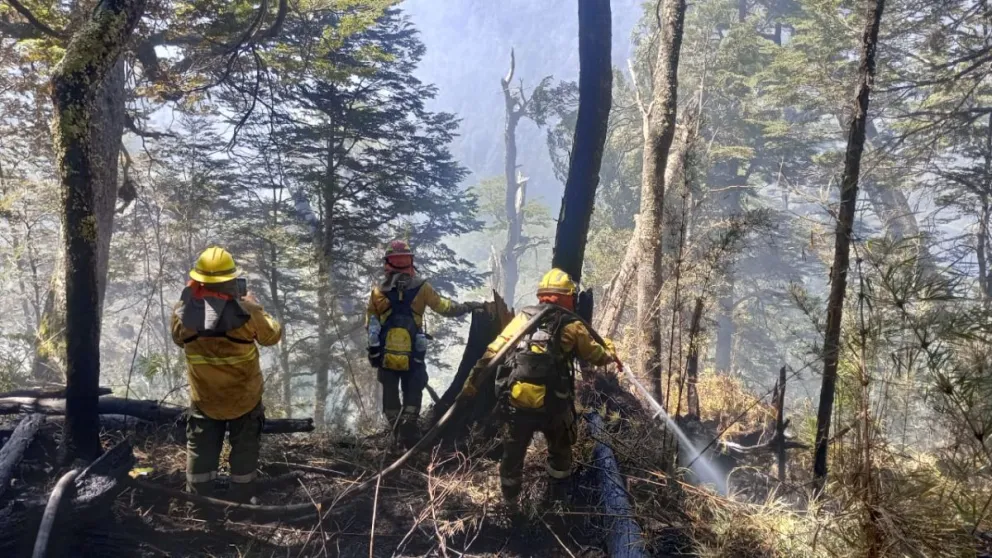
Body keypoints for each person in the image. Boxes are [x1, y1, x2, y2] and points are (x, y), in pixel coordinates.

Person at [458, 268, 620, 503]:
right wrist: (610, 349)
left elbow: (493, 352)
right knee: (560, 453)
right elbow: (597, 356)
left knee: (512, 457)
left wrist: (471, 384)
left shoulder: (522, 319)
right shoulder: (573, 325)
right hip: (554, 406)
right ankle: (556, 500)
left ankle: (511, 506)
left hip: (517, 404)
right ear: (568, 297)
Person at [171, 246, 282, 503]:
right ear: (231, 280)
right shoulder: (248, 311)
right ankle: (242, 501)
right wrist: (256, 305)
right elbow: (272, 336)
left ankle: (199, 504)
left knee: (200, 450)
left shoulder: (182, 313)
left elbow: (178, 339)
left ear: (197, 280)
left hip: (204, 399)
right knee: (245, 449)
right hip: (244, 398)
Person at [366, 239, 485, 446]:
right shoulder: (422, 288)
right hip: (414, 353)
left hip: (385, 354)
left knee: (390, 391)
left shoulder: (378, 291)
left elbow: (371, 325)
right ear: (410, 261)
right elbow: (446, 308)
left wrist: (373, 351)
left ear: (388, 263)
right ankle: (408, 430)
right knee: (414, 387)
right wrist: (468, 306)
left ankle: (395, 432)